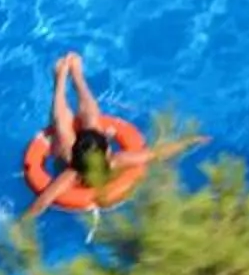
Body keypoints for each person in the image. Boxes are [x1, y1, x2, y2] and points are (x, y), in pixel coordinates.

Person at [20, 51, 204, 223]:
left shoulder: (75, 174)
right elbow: (156, 154)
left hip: (80, 159)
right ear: (108, 151)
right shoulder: (84, 171)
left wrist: (20, 223)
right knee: (73, 127)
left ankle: (74, 76)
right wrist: (189, 141)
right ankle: (61, 79)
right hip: (72, 160)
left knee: (79, 124)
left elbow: (42, 202)